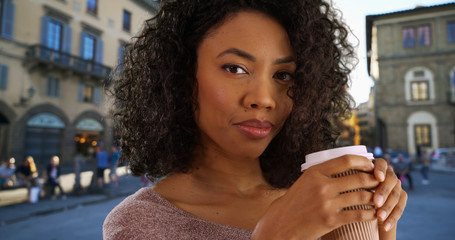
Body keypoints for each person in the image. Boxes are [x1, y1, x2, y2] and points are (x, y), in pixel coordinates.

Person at [103, 1, 407, 239]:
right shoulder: (140, 223)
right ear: (182, 77)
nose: (264, 98)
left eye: (283, 75)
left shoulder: (318, 199)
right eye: (235, 68)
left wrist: (381, 223)